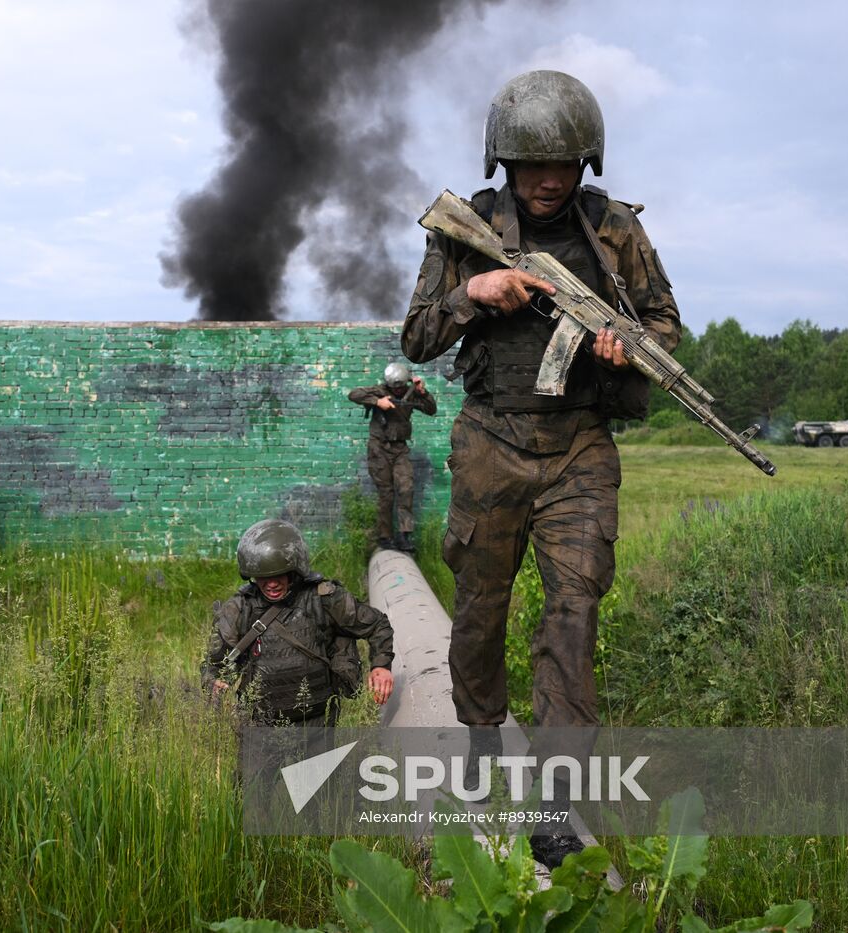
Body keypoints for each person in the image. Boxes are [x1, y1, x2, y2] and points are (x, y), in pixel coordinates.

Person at [399, 70, 681, 867]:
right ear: (504, 163)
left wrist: (631, 346)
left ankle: (555, 804)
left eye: (563, 165)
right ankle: (482, 735)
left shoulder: (614, 228)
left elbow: (666, 320)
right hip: (490, 441)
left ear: (587, 160)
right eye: (531, 166)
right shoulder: (467, 228)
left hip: (581, 447)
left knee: (573, 616)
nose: (549, 180)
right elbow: (416, 338)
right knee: (480, 609)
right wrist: (473, 292)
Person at [201, 519, 395, 727]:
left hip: (317, 722)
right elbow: (214, 665)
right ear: (252, 577)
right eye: (263, 578)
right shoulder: (240, 608)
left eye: (279, 575)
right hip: (260, 726)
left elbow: (377, 625)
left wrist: (381, 666)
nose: (272, 584)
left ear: (294, 571)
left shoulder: (324, 598)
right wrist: (214, 682)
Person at [348, 363, 438, 552]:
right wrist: (377, 402)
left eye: (400, 386)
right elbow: (353, 394)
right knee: (386, 493)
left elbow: (431, 409)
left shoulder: (411, 392)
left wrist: (422, 391)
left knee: (406, 488)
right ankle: (385, 537)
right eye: (394, 387)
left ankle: (404, 536)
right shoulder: (379, 391)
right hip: (379, 448)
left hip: (400, 449)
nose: (397, 390)